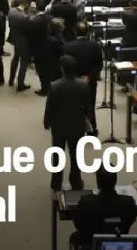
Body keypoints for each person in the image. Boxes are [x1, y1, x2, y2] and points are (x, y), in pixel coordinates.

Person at [44, 56, 90, 190]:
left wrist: (47, 122)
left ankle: (56, 182)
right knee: (76, 155)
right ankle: (76, 181)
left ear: (62, 69)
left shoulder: (54, 86)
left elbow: (50, 107)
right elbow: (88, 106)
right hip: (77, 124)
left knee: (57, 154)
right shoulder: (83, 85)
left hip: (59, 126)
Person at [71, 166, 135, 249]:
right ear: (115, 180)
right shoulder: (128, 202)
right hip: (119, 245)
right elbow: (130, 221)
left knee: (75, 236)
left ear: (98, 182)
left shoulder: (86, 202)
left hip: (91, 244)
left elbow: (78, 224)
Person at [63, 22, 102, 133]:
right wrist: (89, 76)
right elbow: (99, 65)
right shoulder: (95, 46)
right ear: (88, 32)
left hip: (73, 80)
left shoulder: (68, 46)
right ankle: (92, 129)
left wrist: (76, 77)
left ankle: (75, 128)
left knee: (74, 104)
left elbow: (66, 65)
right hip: (90, 81)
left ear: (75, 32)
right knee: (90, 104)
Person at [7, 0, 32, 91]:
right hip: (24, 42)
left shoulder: (11, 11)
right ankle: (20, 83)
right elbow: (28, 30)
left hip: (15, 39)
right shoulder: (24, 17)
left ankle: (11, 80)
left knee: (15, 59)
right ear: (26, 5)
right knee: (23, 62)